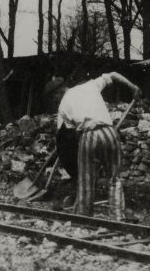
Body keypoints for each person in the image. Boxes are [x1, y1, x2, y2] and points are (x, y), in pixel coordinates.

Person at [44, 72, 141, 218]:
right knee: (114, 178)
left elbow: (73, 135)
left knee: (86, 181)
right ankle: (117, 217)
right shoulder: (90, 85)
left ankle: (84, 217)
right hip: (110, 133)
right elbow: (114, 75)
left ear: (58, 92)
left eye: (54, 97)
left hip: (88, 135)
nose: (55, 100)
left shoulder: (63, 107)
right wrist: (133, 88)